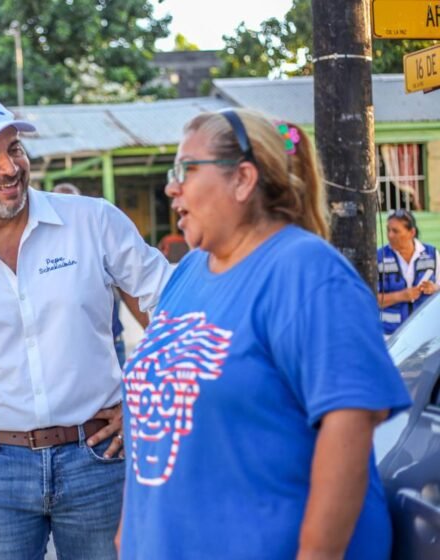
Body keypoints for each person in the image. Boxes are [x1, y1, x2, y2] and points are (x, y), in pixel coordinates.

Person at [119, 109, 411, 559]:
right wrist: (130, 532)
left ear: (242, 179)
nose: (170, 187)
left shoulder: (308, 272)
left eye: (186, 169)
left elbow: (348, 433)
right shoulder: (191, 270)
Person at [0, 96, 171, 559]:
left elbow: (169, 308)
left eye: (15, 149)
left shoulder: (93, 222)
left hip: (99, 459)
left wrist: (146, 402)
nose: (10, 167)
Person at [52, 182, 150, 365]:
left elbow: (127, 286)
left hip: (110, 345)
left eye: (73, 202)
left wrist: (149, 330)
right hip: (67, 356)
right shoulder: (45, 250)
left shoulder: (94, 238)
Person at [377, 208, 438, 335]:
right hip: (389, 335)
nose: (390, 235)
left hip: (423, 334)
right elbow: (369, 301)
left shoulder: (432, 254)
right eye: (388, 230)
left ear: (411, 232)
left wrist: (434, 288)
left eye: (396, 231)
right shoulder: (378, 257)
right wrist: (401, 296)